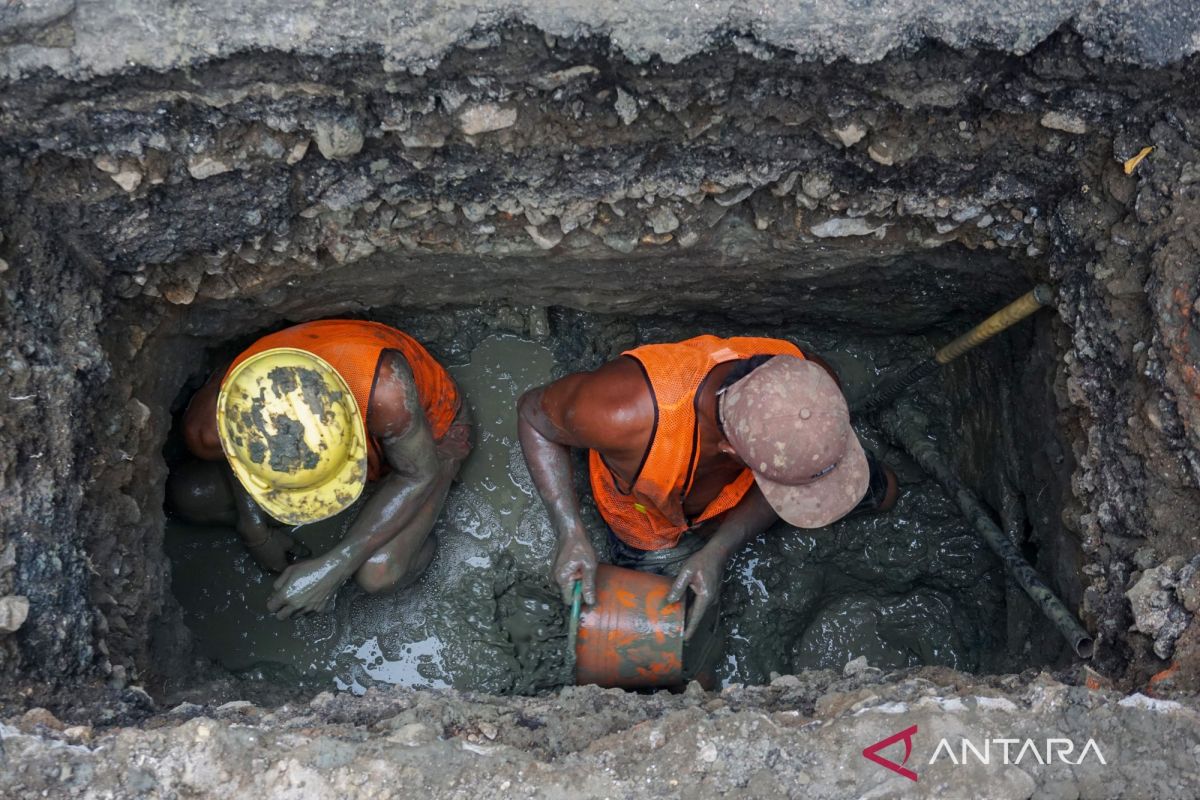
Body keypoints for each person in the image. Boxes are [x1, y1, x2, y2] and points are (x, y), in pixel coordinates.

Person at [517, 335, 897, 639]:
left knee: (886, 492)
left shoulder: (807, 381)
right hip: (649, 516)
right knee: (656, 642)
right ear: (732, 449)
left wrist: (718, 550)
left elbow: (783, 480)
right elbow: (533, 418)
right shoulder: (617, 413)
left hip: (737, 490)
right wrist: (569, 530)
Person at [168, 319, 471, 619]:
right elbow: (236, 459)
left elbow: (418, 473)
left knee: (379, 571)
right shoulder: (215, 422)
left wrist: (334, 567)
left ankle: (429, 506)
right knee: (189, 496)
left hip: (426, 443)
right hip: (370, 441)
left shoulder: (386, 390)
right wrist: (255, 530)